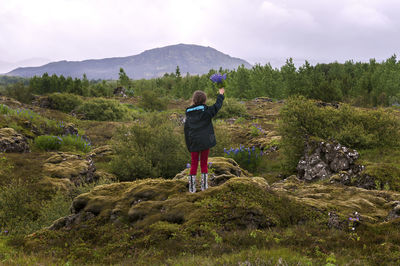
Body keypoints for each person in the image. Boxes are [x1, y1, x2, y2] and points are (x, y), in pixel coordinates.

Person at [184, 88, 225, 193]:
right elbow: (217, 106)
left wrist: (189, 145)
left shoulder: (188, 113)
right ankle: (204, 187)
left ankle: (192, 189)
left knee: (193, 164)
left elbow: (186, 130)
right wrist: (220, 94)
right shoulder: (207, 111)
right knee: (203, 163)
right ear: (204, 100)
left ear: (194, 100)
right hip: (205, 141)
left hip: (193, 142)